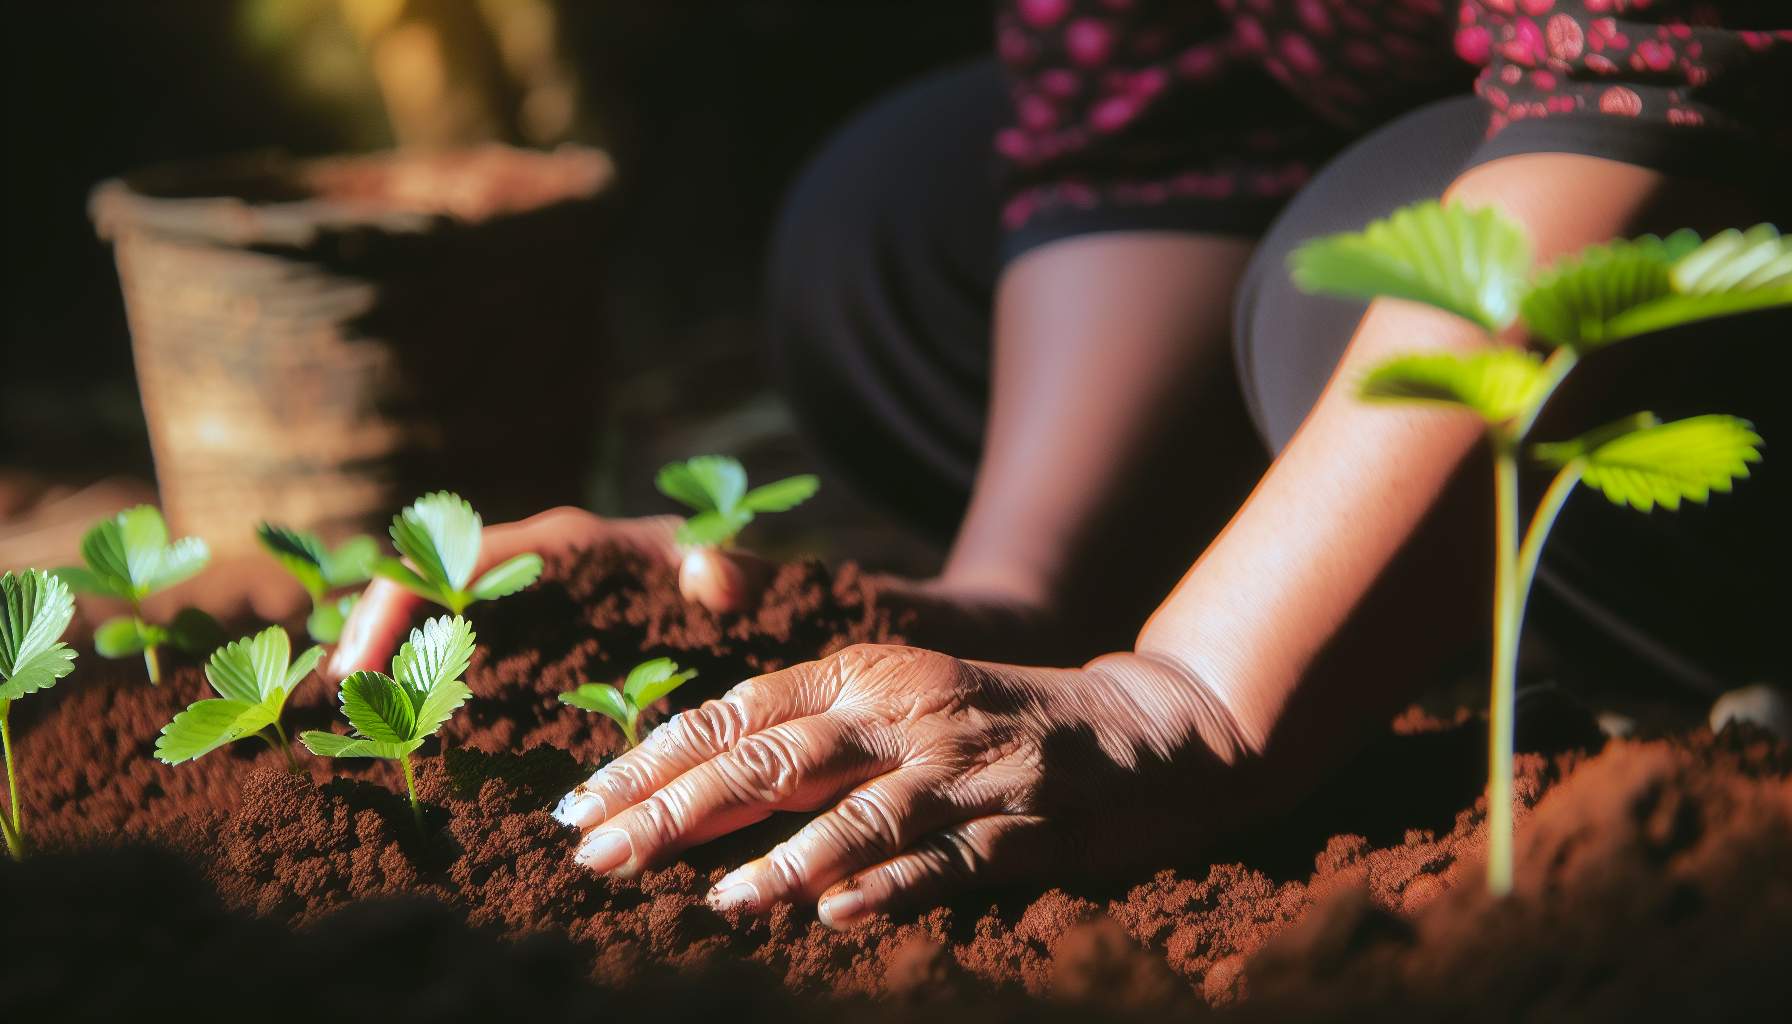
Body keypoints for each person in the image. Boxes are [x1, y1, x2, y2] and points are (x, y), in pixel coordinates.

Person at [330, 1, 1791, 929]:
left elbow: (1678, 68)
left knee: (1332, 293)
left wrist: (1193, 699)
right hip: (1469, 92)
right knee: (889, 233)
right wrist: (1006, 599)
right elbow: (1156, 112)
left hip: (1701, 152)